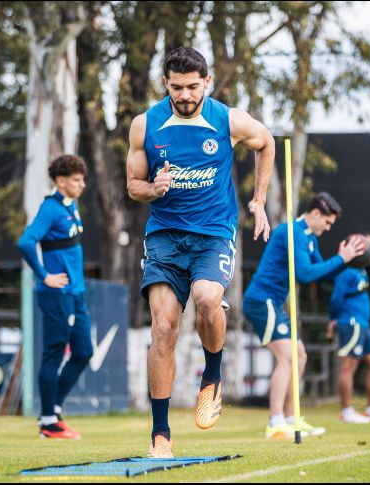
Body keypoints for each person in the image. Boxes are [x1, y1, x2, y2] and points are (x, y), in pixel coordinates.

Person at [126, 46, 274, 457]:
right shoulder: (145, 125)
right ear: (165, 85)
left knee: (209, 299)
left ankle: (212, 375)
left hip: (213, 234)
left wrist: (259, 199)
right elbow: (132, 184)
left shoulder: (228, 120)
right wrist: (152, 188)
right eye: (177, 88)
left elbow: (267, 143)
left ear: (207, 83)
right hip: (164, 238)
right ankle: (160, 435)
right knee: (163, 329)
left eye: (193, 87)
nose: (186, 95)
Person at [243, 193, 364, 439]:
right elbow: (306, 274)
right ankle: (275, 422)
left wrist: (345, 261)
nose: (328, 229)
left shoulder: (309, 237)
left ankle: (291, 418)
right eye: (328, 223)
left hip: (274, 304)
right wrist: (340, 258)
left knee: (300, 356)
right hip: (261, 300)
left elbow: (323, 273)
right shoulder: (292, 232)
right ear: (316, 214)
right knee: (287, 358)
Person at [17, 155, 92, 439]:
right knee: (54, 355)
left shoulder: (70, 205)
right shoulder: (50, 208)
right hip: (56, 293)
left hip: (75, 293)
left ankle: (54, 409)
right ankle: (48, 422)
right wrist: (44, 275)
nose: (82, 184)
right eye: (76, 180)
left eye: (82, 179)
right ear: (60, 181)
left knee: (84, 352)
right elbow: (25, 241)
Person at [327, 233, 370, 424]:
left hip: (364, 325)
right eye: (369, 245)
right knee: (348, 366)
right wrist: (333, 319)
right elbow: (336, 298)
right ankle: (346, 411)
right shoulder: (346, 270)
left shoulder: (360, 269)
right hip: (351, 323)